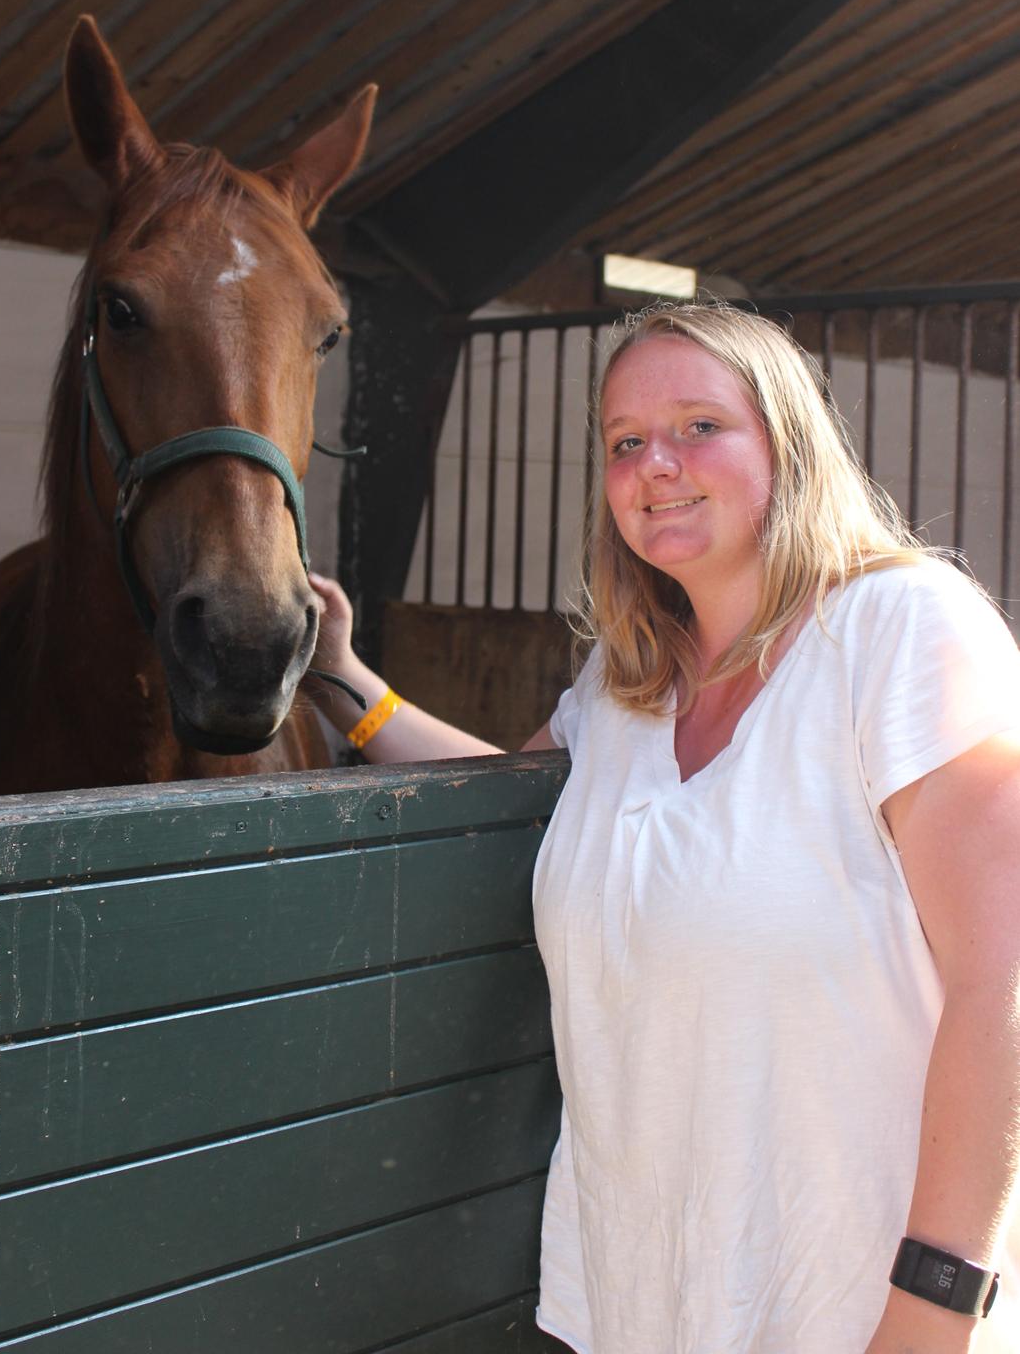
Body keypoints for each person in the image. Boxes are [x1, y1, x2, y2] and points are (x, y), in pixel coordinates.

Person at [307, 301, 1020, 1354]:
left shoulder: (900, 632)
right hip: (641, 1308)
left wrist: (932, 1304)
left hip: (854, 1311)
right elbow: (504, 799)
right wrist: (345, 681)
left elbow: (999, 983)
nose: (656, 463)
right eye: (623, 442)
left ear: (786, 441)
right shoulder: (622, 685)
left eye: (698, 426)